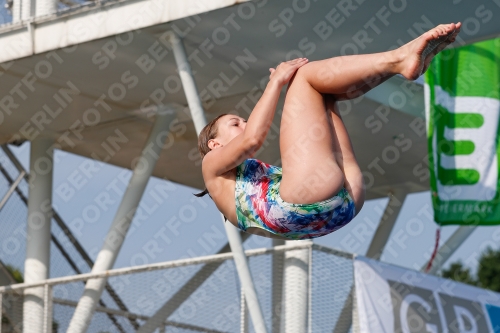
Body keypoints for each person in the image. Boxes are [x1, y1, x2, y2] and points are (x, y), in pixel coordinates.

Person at [195, 23, 461, 240]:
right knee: (304, 78)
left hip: (342, 207)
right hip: (304, 205)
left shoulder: (248, 180)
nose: (244, 123)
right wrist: (275, 83)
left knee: (327, 94)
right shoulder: (211, 166)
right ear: (215, 144)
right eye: (235, 123)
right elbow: (252, 139)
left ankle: (404, 63)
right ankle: (399, 59)